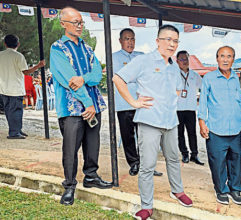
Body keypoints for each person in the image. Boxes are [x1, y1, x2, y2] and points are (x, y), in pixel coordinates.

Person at [113, 24, 193, 220]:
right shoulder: (144, 61)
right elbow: (118, 78)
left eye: (175, 41)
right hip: (149, 121)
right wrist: (133, 101)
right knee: (147, 165)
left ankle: (177, 191)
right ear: (157, 41)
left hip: (170, 122)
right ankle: (147, 206)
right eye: (168, 39)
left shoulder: (174, 66)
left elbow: (175, 90)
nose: (172, 44)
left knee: (174, 158)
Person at [50, 7, 112, 206]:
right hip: (72, 109)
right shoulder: (57, 48)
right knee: (71, 149)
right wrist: (88, 103)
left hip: (94, 106)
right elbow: (69, 80)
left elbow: (96, 75)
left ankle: (91, 176)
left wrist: (83, 78)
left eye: (81, 22)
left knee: (92, 144)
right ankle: (69, 186)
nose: (79, 26)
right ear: (63, 24)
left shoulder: (87, 48)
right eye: (75, 22)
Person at [198, 46, 241, 206]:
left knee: (235, 160)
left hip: (235, 128)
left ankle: (235, 189)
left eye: (229, 56)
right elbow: (203, 101)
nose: (225, 59)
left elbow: (239, 101)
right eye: (222, 56)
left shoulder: (235, 77)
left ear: (233, 59)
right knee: (218, 162)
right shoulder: (209, 78)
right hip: (216, 129)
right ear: (217, 58)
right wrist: (201, 122)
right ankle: (221, 190)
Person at [113, 28, 163, 177]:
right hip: (124, 103)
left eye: (132, 39)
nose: (130, 42)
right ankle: (134, 163)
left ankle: (147, 165)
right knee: (128, 136)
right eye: (127, 39)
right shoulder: (113, 57)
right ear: (120, 41)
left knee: (146, 136)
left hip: (142, 104)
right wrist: (135, 77)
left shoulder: (142, 56)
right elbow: (119, 79)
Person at [0, 34, 45, 139]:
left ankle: (16, 129)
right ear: (18, 44)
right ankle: (14, 132)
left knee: (9, 111)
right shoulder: (18, 56)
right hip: (15, 88)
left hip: (3, 87)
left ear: (5, 44)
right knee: (16, 111)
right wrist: (38, 66)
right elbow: (26, 72)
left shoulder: (1, 55)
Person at [176, 50, 204, 165]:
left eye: (186, 59)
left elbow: (204, 88)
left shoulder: (194, 75)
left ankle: (194, 154)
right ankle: (184, 154)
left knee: (192, 132)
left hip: (191, 109)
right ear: (177, 61)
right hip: (177, 109)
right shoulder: (174, 75)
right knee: (180, 133)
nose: (184, 61)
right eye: (181, 59)